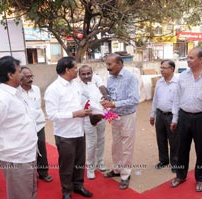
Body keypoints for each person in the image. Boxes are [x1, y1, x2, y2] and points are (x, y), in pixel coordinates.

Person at [0, 56, 38, 199]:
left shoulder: (15, 93)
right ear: (10, 74)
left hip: (27, 154)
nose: (23, 74)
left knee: (30, 192)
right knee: (21, 195)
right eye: (19, 71)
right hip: (16, 158)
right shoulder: (1, 99)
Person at [170, 48, 202, 192]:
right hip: (184, 116)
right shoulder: (183, 76)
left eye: (191, 58)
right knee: (181, 149)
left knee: (201, 150)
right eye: (188, 58)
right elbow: (176, 99)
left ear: (201, 60)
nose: (188, 60)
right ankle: (180, 175)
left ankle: (200, 179)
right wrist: (175, 118)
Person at [44, 57, 93, 199]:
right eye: (75, 68)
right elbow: (52, 115)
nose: (77, 70)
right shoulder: (53, 89)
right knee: (67, 165)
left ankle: (78, 186)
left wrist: (88, 108)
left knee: (79, 163)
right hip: (65, 135)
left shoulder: (76, 84)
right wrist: (74, 114)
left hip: (79, 131)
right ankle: (66, 192)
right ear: (67, 70)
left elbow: (80, 102)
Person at [101, 53, 139, 190]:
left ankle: (125, 174)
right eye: (106, 64)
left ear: (120, 64)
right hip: (114, 116)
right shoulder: (110, 78)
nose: (107, 68)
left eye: (110, 64)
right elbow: (111, 96)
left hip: (128, 116)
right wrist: (106, 100)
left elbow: (134, 100)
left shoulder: (131, 78)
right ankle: (117, 169)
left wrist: (113, 104)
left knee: (127, 146)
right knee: (115, 145)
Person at [19, 66, 53, 183]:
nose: (30, 79)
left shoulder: (37, 89)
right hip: (25, 127)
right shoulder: (17, 92)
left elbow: (37, 108)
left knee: (42, 147)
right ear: (20, 78)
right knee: (28, 151)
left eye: (31, 76)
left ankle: (43, 172)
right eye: (27, 77)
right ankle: (30, 174)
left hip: (38, 125)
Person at [79, 65, 107, 180]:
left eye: (88, 73)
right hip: (87, 117)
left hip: (101, 115)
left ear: (92, 73)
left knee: (101, 139)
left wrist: (106, 98)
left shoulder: (96, 79)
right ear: (79, 75)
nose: (86, 76)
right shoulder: (77, 86)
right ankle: (90, 167)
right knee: (91, 143)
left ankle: (100, 162)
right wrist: (91, 116)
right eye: (83, 74)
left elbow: (103, 90)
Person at [150, 60, 179, 172]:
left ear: (172, 69)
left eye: (164, 68)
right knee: (160, 139)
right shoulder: (159, 82)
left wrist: (175, 119)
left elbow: (178, 102)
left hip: (172, 115)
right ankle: (164, 160)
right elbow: (155, 99)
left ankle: (175, 163)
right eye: (161, 67)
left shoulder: (178, 83)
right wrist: (152, 115)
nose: (161, 70)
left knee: (174, 140)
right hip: (160, 114)